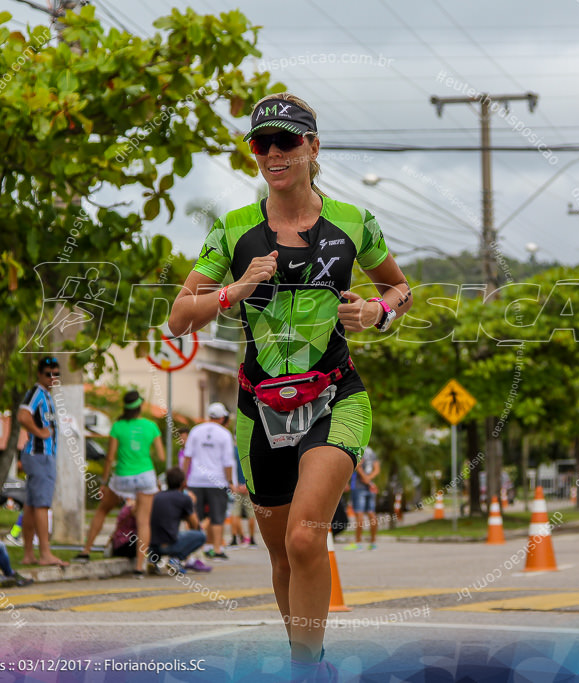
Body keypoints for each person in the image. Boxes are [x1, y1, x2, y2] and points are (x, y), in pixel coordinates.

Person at [168, 92, 412, 679]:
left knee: (306, 540)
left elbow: (400, 289)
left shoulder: (354, 222)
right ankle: (307, 660)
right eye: (261, 143)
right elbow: (179, 316)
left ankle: (308, 669)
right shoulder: (235, 230)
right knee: (279, 552)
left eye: (287, 141)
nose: (273, 153)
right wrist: (236, 289)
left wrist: (379, 312)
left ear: (312, 147)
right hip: (258, 408)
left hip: (335, 396)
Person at [75, 390, 165, 577]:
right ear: (140, 406)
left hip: (122, 477)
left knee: (102, 510)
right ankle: (139, 567)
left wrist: (104, 481)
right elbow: (161, 455)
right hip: (145, 476)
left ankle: (86, 551)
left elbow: (109, 458)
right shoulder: (151, 426)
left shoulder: (117, 426)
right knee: (143, 521)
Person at [17, 356, 65, 567]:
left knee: (31, 505)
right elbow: (22, 416)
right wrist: (39, 432)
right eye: (48, 374)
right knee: (42, 505)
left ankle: (29, 554)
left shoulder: (46, 395)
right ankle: (45, 552)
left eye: (56, 374)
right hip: (39, 456)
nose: (52, 377)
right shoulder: (37, 393)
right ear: (39, 374)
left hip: (40, 456)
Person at [181, 402, 235, 560]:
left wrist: (184, 478)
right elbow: (228, 461)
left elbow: (187, 456)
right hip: (217, 481)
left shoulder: (196, 431)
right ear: (222, 417)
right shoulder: (225, 434)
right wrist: (230, 481)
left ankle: (195, 549)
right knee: (217, 516)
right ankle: (217, 549)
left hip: (196, 480)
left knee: (194, 515)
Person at [149, 467, 211, 575]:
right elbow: (195, 525)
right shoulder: (184, 498)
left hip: (151, 544)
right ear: (183, 483)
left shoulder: (157, 497)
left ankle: (153, 560)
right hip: (169, 545)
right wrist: (192, 503)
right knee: (201, 536)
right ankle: (176, 560)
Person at [346, 446, 380, 550]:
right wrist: (370, 482)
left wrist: (366, 480)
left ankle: (358, 542)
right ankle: (373, 542)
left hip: (358, 486)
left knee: (359, 514)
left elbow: (358, 466)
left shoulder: (358, 449)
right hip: (370, 487)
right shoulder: (371, 451)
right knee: (371, 513)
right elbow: (377, 469)